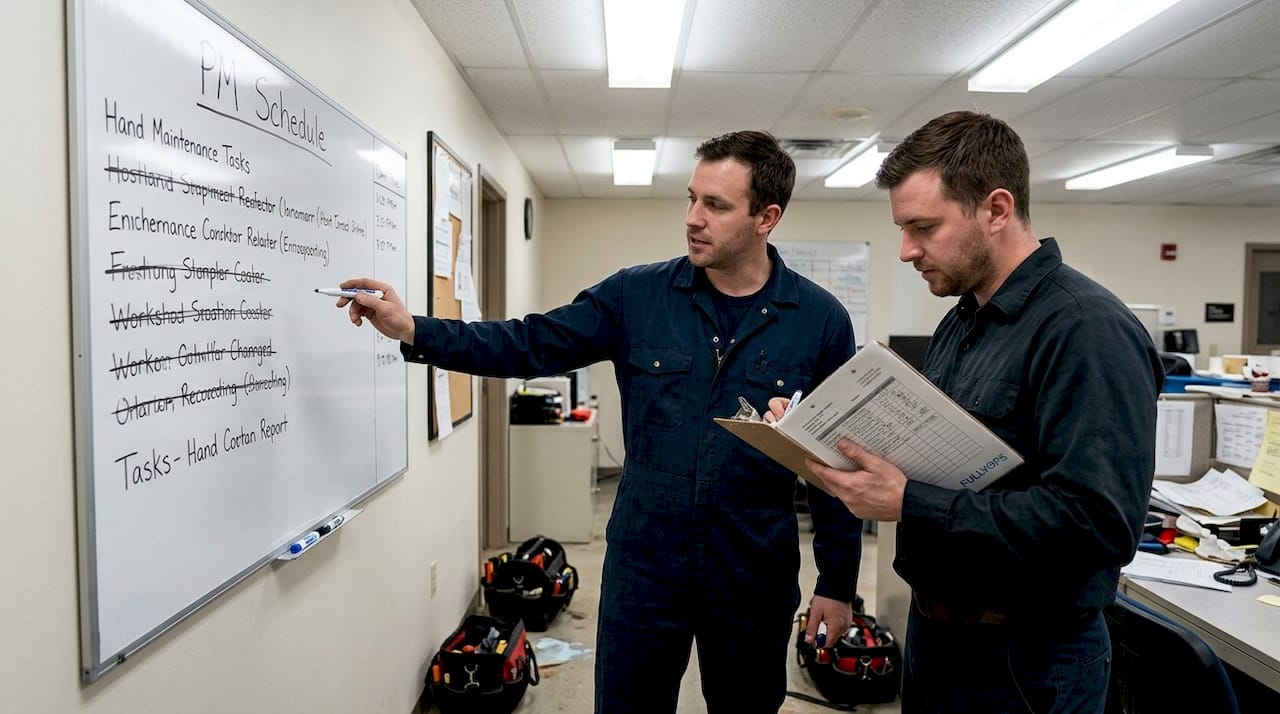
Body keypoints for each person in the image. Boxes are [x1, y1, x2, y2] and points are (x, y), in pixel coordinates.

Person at [336, 130, 864, 713]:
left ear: (767, 217)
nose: (692, 218)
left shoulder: (820, 321)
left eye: (715, 205)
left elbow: (838, 462)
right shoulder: (637, 295)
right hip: (646, 567)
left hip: (752, 574)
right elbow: (527, 342)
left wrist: (836, 583)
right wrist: (416, 330)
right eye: (691, 198)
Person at [776, 111, 1162, 713]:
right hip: (939, 640)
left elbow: (1099, 523)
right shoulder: (963, 320)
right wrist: (826, 437)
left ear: (997, 209)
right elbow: (940, 456)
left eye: (923, 228)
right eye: (902, 229)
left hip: (1028, 660)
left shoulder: (1086, 329)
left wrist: (909, 502)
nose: (906, 251)